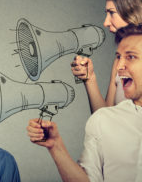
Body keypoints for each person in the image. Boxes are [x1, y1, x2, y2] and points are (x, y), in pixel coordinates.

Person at [27, 24, 142, 181]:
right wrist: (55, 146)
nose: (119, 66)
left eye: (131, 57)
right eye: (118, 57)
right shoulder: (103, 120)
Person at [71, 0, 142, 113]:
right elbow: (105, 119)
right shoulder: (120, 61)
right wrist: (89, 79)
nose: (106, 22)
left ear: (133, 11)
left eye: (112, 13)